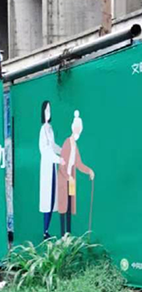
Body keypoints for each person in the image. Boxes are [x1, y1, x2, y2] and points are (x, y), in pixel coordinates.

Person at [58, 110, 94, 235]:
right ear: (73, 128)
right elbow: (61, 165)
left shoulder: (75, 145)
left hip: (71, 180)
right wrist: (68, 177)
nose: (78, 131)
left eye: (80, 129)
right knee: (63, 208)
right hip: (64, 180)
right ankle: (62, 235)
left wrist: (89, 171)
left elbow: (78, 163)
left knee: (69, 207)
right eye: (77, 129)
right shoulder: (67, 143)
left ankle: (68, 234)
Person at [38, 101, 64, 239]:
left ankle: (47, 230)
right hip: (48, 167)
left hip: (52, 167)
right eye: (46, 111)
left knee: (52, 198)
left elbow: (53, 146)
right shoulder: (43, 130)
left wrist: (63, 151)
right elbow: (46, 150)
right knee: (47, 201)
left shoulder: (49, 128)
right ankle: (45, 231)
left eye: (50, 110)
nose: (48, 113)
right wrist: (58, 159)